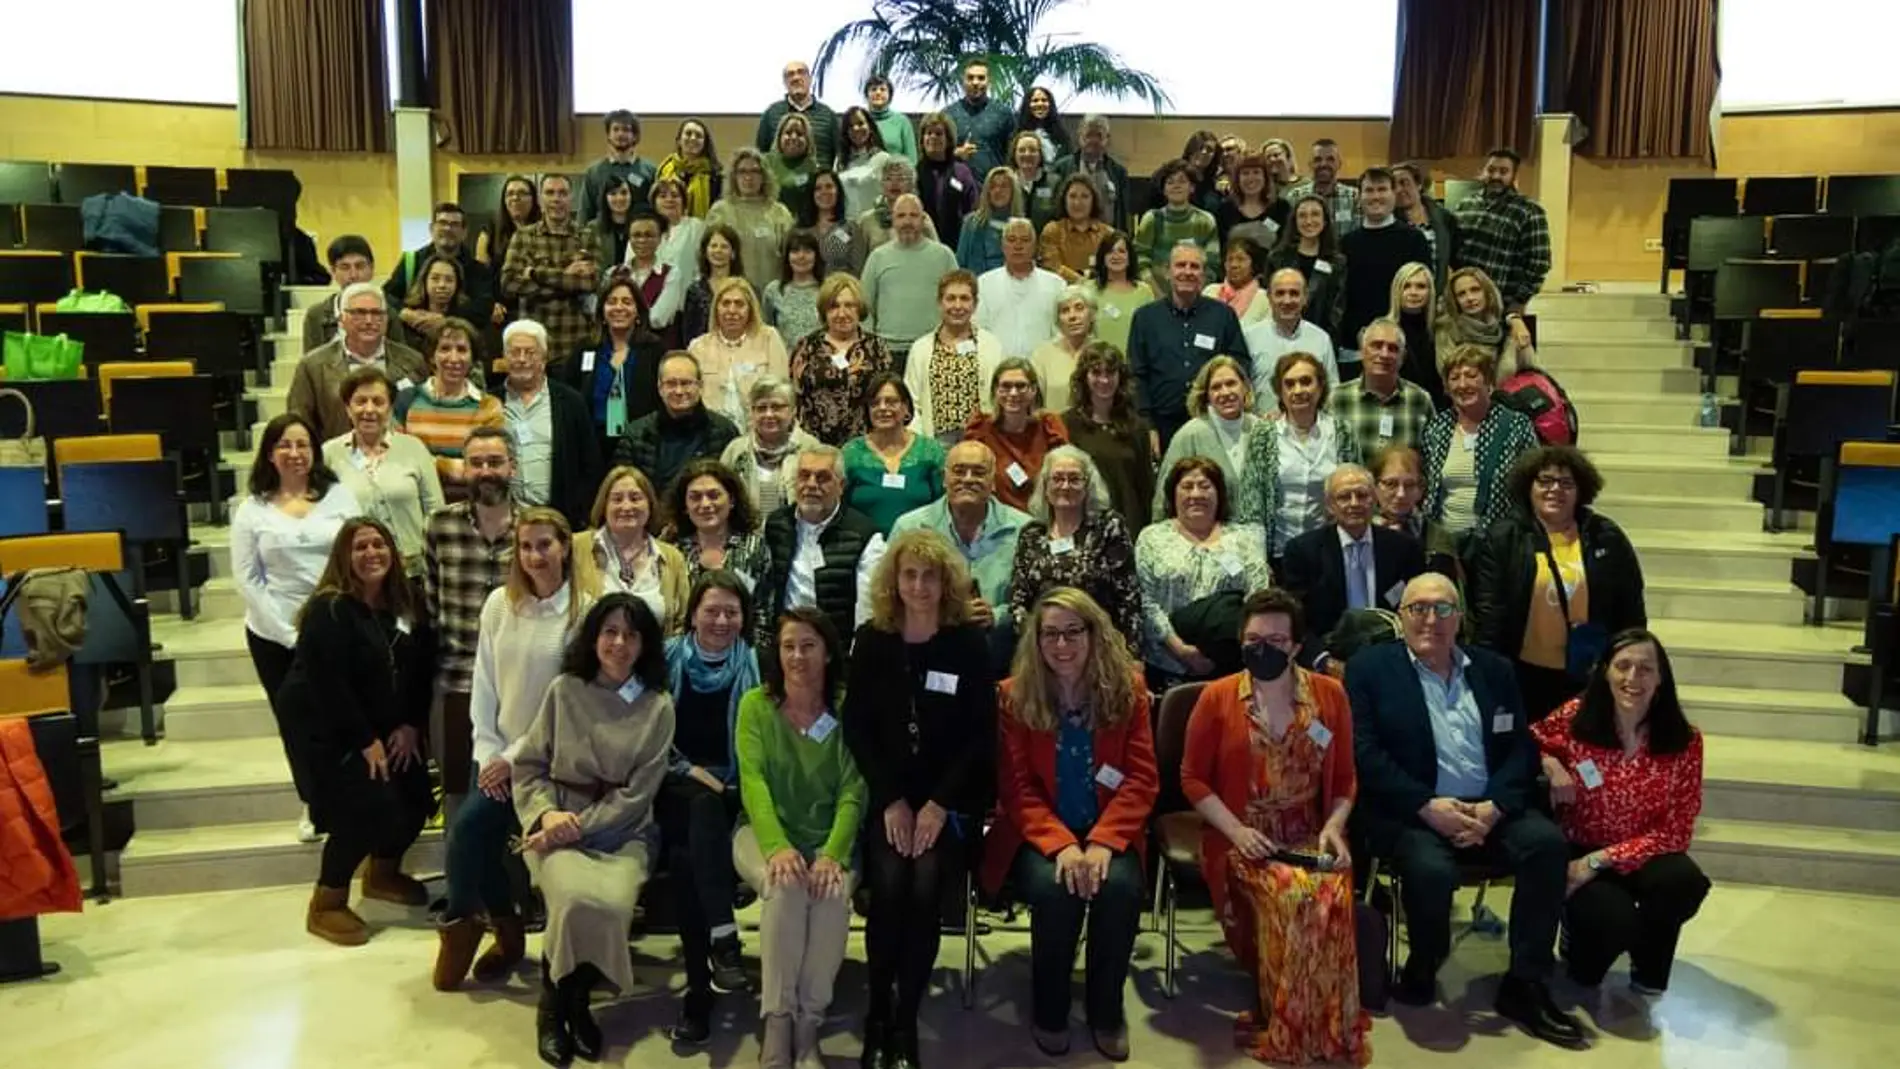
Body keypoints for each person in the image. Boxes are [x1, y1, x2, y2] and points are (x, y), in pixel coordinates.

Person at [1347, 573, 1585, 1048]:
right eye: (1418, 608)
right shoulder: (1369, 669)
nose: (1430, 619)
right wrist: (1425, 805)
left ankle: (1525, 981)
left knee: (1547, 846)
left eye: (1442, 609)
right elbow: (1364, 752)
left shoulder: (1494, 670)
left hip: (1490, 806)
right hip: (1412, 809)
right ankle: (1424, 964)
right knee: (1430, 870)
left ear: (1460, 618)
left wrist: (1496, 807)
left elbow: (1520, 747)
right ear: (1401, 616)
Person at [1180, 587, 1370, 1066]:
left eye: (1276, 640)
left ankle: (1328, 1027)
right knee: (1297, 895)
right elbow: (1192, 778)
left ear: (1297, 647)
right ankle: (1290, 1030)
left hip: (1311, 830)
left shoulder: (1330, 696)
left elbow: (1346, 778)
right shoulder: (1218, 698)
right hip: (1244, 834)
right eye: (1253, 638)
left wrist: (1333, 827)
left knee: (1332, 891)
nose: (1263, 648)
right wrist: (1237, 832)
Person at [980, 587, 1157, 1063]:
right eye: (1050, 634)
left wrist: (1102, 843)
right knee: (1056, 890)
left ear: (1094, 633)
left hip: (1109, 829)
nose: (1062, 645)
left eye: (1073, 632)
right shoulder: (1014, 696)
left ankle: (1106, 1008)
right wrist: (1061, 846)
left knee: (1119, 890)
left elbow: (1141, 779)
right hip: (1040, 832)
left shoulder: (1129, 689)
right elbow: (1016, 789)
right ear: (1036, 641)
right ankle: (1050, 1008)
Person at [844, 530, 996, 1069]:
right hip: (889, 796)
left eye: (930, 575)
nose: (919, 585)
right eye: (909, 574)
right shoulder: (873, 639)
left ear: (946, 581)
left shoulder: (967, 644)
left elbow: (981, 735)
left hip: (947, 800)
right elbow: (857, 729)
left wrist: (936, 805)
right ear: (894, 580)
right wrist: (890, 802)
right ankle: (877, 1012)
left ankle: (906, 1018)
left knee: (925, 883)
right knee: (889, 884)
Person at [513, 593, 674, 1066]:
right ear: (593, 637)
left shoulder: (658, 706)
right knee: (572, 900)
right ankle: (553, 1006)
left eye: (630, 634)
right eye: (610, 631)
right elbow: (528, 767)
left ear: (644, 644)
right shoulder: (564, 691)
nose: (619, 643)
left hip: (624, 833)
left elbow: (638, 795)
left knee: (611, 903)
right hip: (557, 818)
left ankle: (578, 1003)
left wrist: (577, 827)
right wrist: (546, 818)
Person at [434, 508, 591, 993]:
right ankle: (494, 929)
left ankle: (479, 927)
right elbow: (483, 682)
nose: (534, 556)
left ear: (564, 546)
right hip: (496, 754)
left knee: (473, 832)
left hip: (548, 760)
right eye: (525, 547)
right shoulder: (499, 604)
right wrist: (488, 749)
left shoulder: (583, 612)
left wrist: (514, 756)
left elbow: (567, 698)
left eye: (544, 545)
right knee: (471, 837)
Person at [281, 518, 435, 947]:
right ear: (344, 558)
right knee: (364, 809)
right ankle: (326, 902)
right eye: (360, 547)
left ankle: (382, 874)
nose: (372, 554)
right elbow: (328, 686)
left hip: (389, 725)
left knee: (417, 798)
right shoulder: (328, 610)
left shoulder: (407, 603)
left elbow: (421, 669)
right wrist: (363, 739)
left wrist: (409, 724)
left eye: (379, 544)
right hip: (331, 731)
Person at [1530, 630, 1708, 995]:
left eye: (1645, 669)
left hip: (1643, 851)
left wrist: (1602, 859)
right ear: (1606, 672)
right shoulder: (1576, 717)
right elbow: (1525, 740)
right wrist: (1550, 763)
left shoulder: (1685, 740)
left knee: (1683, 882)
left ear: (1661, 678)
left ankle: (1649, 963)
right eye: (1623, 666)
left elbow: (1678, 828)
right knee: (1607, 933)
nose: (1632, 678)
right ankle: (1583, 945)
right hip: (1581, 843)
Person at [735, 607, 866, 1069]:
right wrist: (778, 847)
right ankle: (778, 1020)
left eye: (809, 645)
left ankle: (809, 1023)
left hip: (832, 838)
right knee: (785, 886)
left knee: (830, 897)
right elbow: (753, 784)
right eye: (789, 645)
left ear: (828, 653)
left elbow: (854, 788)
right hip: (761, 833)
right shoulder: (756, 705)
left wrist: (833, 852)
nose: (797, 656)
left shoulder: (849, 708)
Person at [234, 413, 362, 842]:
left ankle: (349, 799)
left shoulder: (340, 497)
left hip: (335, 627)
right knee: (298, 723)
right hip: (275, 635)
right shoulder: (251, 510)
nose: (294, 454)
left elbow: (357, 558)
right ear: (270, 454)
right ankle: (315, 804)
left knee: (341, 717)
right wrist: (291, 635)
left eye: (302, 445)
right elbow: (248, 579)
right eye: (285, 446)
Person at [1470, 446, 1647, 722]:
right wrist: (1488, 674)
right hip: (1524, 674)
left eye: (1566, 483)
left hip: (1590, 674)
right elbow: (1490, 613)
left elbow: (1630, 608)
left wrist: (1627, 666)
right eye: (1545, 481)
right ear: (1528, 486)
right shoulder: (1504, 537)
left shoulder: (1606, 537)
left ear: (1581, 491)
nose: (1555, 490)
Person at [661, 571, 763, 1043]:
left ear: (744, 617)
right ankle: (723, 941)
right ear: (693, 614)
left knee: (686, 861)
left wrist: (729, 785)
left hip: (735, 787)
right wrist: (689, 772)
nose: (721, 620)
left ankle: (699, 994)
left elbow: (760, 745)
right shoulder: (665, 659)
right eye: (711, 610)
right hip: (672, 780)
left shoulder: (757, 666)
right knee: (699, 811)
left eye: (731, 611)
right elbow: (647, 735)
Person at [423, 427, 523, 797]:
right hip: (457, 681)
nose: (485, 471)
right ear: (464, 470)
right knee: (458, 796)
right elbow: (432, 605)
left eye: (495, 462)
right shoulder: (439, 525)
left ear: (512, 467)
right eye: (476, 463)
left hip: (520, 685)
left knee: (520, 793)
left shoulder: (536, 528)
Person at [889, 441, 1033, 669]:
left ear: (993, 482)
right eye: (958, 471)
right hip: (928, 663)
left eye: (979, 472)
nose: (967, 479)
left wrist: (998, 616)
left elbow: (1038, 601)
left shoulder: (1025, 530)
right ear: (944, 478)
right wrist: (946, 613)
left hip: (1006, 665)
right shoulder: (909, 528)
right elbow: (889, 597)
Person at [1137, 458, 1273, 689]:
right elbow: (1145, 600)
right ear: (1173, 494)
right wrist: (1181, 650)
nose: (1196, 494)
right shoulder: (1152, 538)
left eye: (1205, 485)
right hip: (1170, 663)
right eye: (1187, 486)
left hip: (1232, 661)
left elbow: (1258, 595)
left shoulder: (1245, 538)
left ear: (1219, 493)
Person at [1278, 465, 1425, 667]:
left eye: (1362, 495)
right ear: (1329, 505)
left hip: (1393, 653)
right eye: (1344, 497)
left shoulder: (1404, 548)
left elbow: (1418, 608)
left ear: (1374, 500)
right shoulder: (1303, 551)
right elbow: (1296, 620)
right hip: (1330, 655)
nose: (1354, 503)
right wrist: (1323, 661)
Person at [1008, 446, 1143, 654]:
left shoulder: (1108, 526)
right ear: (1045, 486)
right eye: (1057, 478)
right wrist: (1033, 641)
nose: (1065, 486)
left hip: (1100, 646)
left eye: (1074, 479)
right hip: (1045, 647)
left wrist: (1132, 654)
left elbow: (1128, 596)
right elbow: (1018, 600)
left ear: (1088, 486)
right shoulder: (1031, 534)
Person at [1233, 353, 1364, 562]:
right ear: (1280, 392)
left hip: (1330, 554)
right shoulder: (1264, 435)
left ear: (1320, 387)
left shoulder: (1343, 432)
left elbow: (1357, 493)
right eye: (1289, 384)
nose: (1298, 390)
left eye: (1306, 381)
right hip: (1277, 554)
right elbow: (1251, 504)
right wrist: (1256, 560)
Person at [753, 446, 888, 646]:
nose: (811, 484)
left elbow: (867, 612)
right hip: (785, 646)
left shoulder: (865, 534)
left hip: (837, 651)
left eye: (822, 477)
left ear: (841, 486)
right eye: (804, 476)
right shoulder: (775, 525)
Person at [322, 367, 445, 576]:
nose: (369, 410)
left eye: (378, 402)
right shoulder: (329, 454)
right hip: (354, 573)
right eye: (360, 401)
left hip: (413, 573)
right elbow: (323, 518)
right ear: (348, 408)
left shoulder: (414, 448)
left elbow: (436, 514)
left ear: (389, 408)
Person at [1127, 243, 1247, 448]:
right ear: (1167, 271)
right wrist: (1147, 426)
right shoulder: (1145, 318)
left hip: (1214, 423)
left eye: (1194, 266)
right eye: (1180, 265)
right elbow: (1137, 374)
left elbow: (1239, 365)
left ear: (1203, 274)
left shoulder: (1223, 316)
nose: (1187, 272)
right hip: (1162, 426)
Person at [1422, 345, 1540, 551]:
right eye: (1454, 378)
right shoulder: (1438, 426)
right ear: (1447, 387)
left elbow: (1534, 483)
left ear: (1489, 382)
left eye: (1471, 375)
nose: (1462, 384)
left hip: (1498, 545)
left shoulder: (1515, 425)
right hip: (1443, 542)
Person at [287, 282, 428, 443]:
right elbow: (299, 425)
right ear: (341, 319)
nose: (369, 320)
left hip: (398, 461)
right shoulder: (312, 367)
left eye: (376, 313)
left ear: (386, 319)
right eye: (359, 313)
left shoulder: (413, 361)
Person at [499, 320, 604, 530]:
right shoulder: (491, 402)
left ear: (544, 358)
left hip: (560, 519)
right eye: (514, 352)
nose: (522, 359)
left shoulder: (570, 402)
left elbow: (590, 464)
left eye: (530, 352)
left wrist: (580, 512)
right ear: (505, 357)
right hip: (506, 520)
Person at [1336, 168, 1433, 381]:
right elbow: (1341, 299)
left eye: (1382, 189)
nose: (1376, 196)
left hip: (1403, 347)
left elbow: (1423, 298)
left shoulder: (1414, 240)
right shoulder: (1346, 244)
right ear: (1359, 196)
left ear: (1393, 194)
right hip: (1355, 347)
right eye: (1369, 190)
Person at [394, 317, 504, 499]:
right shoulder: (406, 399)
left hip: (472, 510)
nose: (453, 358)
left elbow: (487, 469)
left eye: (461, 350)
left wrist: (429, 463)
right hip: (416, 505)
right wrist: (454, 468)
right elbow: (399, 461)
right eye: (444, 349)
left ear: (472, 358)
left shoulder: (489, 407)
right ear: (431, 355)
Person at [574, 465, 692, 632]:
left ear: (650, 505)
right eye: (617, 499)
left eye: (635, 498)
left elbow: (682, 621)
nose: (627, 506)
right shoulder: (576, 547)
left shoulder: (672, 557)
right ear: (604, 505)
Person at [500, 174, 602, 359]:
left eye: (562, 193)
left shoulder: (587, 236)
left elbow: (591, 283)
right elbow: (509, 284)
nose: (556, 199)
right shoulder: (523, 236)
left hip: (576, 341)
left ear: (571, 198)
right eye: (550, 193)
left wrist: (534, 273)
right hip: (534, 345)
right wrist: (567, 278)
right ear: (540, 199)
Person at [614, 352, 743, 496]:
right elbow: (624, 491)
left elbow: (735, 491)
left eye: (686, 383)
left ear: (700, 386)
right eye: (671, 383)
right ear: (659, 388)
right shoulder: (634, 435)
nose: (679, 391)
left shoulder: (725, 432)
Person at [788, 273, 893, 446]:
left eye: (849, 305)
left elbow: (888, 398)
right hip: (814, 446)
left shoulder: (877, 348)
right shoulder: (806, 347)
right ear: (824, 311)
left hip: (867, 446)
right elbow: (795, 396)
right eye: (834, 306)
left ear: (859, 308)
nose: (842, 313)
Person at [1060, 341, 1156, 529]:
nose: (1104, 380)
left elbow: (1146, 487)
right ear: (1084, 377)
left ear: (1121, 377)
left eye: (1110, 373)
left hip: (1129, 524)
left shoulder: (1137, 427)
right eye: (1096, 373)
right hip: (1082, 525)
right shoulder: (1067, 424)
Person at [567, 272, 666, 456]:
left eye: (627, 302)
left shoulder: (654, 349)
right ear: (602, 312)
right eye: (611, 302)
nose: (619, 307)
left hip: (640, 445)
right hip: (590, 446)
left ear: (638, 311)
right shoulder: (585, 349)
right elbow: (569, 396)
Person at [903, 268, 1005, 445]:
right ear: (939, 303)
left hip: (982, 441)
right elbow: (911, 401)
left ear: (975, 304)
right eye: (950, 298)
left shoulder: (992, 345)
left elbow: (1001, 397)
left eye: (964, 299)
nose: (957, 306)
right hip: (933, 442)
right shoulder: (921, 348)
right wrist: (922, 444)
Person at [1152, 355, 1260, 518]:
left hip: (1257, 537)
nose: (1225, 392)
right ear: (1206, 395)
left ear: (1245, 387)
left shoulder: (1261, 430)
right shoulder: (1189, 435)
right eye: (1216, 387)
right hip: (1207, 538)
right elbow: (1164, 498)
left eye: (1231, 383)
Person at [841, 373, 947, 534]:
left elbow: (944, 507)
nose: (883, 408)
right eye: (875, 403)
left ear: (906, 408)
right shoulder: (850, 453)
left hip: (919, 548)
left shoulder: (931, 452)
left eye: (891, 402)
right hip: (863, 549)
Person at [1453, 147, 1551, 316]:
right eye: (1491, 170)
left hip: (1501, 304)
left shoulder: (1529, 211)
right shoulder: (1464, 205)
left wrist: (1519, 301)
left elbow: (1540, 263)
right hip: (1463, 303)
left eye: (1503, 171)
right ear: (1483, 171)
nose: (1496, 176)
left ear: (1514, 175)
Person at [963, 358, 1069, 512]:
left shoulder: (1049, 427)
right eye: (1006, 386)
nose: (1013, 393)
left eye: (1021, 386)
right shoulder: (980, 430)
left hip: (1044, 516)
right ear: (995, 391)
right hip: (996, 518)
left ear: (1033, 390)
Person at [684, 278, 791, 428]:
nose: (732, 310)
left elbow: (781, 392)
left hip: (760, 431)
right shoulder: (698, 347)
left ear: (750, 309)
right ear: (716, 308)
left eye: (739, 304)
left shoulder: (769, 338)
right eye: (726, 303)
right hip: (711, 433)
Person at [861, 194, 958, 355]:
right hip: (889, 350)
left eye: (913, 215)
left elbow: (958, 301)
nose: (907, 222)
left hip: (933, 349)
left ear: (923, 219)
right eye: (901, 216)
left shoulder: (944, 255)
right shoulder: (877, 257)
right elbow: (864, 307)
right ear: (893, 220)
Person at [386, 202, 494, 342]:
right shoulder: (410, 262)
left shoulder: (478, 270)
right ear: (432, 228)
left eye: (454, 224)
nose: (448, 228)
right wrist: (405, 313)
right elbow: (385, 295)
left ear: (464, 232)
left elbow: (483, 308)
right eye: (442, 222)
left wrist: (445, 319)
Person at [1328, 319, 1434, 454]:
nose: (1384, 354)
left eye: (1393, 349)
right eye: (1377, 346)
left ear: (1403, 357)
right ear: (1362, 351)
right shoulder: (1337, 399)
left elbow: (1430, 459)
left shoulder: (1420, 400)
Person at [669, 458, 773, 592]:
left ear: (732, 500)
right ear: (685, 506)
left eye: (714, 495)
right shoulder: (674, 553)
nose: (705, 504)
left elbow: (763, 608)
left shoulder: (755, 549)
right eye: (695, 497)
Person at [722, 376, 821, 516]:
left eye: (777, 407)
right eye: (761, 408)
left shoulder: (811, 449)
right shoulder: (735, 450)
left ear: (793, 410)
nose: (769, 414)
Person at [1243, 268, 1339, 412]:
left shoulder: (1321, 339)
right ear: (1269, 296)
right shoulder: (1249, 337)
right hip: (1260, 428)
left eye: (1294, 293)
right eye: (1280, 293)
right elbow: (1242, 390)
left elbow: (1332, 392)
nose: (1287, 301)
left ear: (1305, 297)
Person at [709, 147, 797, 298]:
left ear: (764, 176)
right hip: (732, 299)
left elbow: (792, 258)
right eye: (742, 171)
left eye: (754, 171)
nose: (748, 177)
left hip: (772, 297)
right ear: (733, 176)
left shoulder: (779, 213)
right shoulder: (720, 212)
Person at [974, 219, 1066, 361]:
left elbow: (1061, 333)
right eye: (1011, 240)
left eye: (1025, 240)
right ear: (1002, 246)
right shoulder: (984, 284)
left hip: (1042, 368)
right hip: (997, 369)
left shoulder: (1056, 285)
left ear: (1035, 246)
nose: (1018, 246)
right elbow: (979, 331)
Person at [1369, 443, 1460, 580]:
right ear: (1374, 486)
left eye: (1410, 485)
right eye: (1391, 484)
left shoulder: (1438, 537)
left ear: (1421, 490)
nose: (1401, 494)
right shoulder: (1361, 533)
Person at [1133, 160, 1220, 292]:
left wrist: (1196, 293)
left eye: (1182, 181)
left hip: (1197, 294)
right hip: (1156, 294)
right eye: (1170, 182)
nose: (1176, 186)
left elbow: (1212, 264)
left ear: (1192, 187)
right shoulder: (1152, 219)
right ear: (1164, 190)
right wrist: (1156, 293)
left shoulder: (1205, 220)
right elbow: (1140, 260)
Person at [1437, 266, 1533, 382]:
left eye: (1475, 290)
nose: (1470, 298)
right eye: (1461, 294)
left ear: (1487, 292)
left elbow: (1532, 372)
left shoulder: (1509, 329)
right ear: (1455, 300)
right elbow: (1450, 377)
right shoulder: (1447, 331)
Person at [1266, 196, 1345, 335]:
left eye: (1315, 214)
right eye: (1302, 216)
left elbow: (1337, 308)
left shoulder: (1337, 262)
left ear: (1325, 221)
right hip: (1280, 334)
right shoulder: (1277, 258)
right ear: (1295, 221)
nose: (1309, 221)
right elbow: (1268, 301)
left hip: (1321, 337)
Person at [850, 157, 941, 269]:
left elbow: (938, 256)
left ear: (910, 184)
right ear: (881, 183)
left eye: (900, 178)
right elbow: (858, 263)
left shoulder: (922, 218)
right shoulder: (866, 220)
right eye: (888, 178)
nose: (894, 183)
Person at [1053, 114, 1131, 235]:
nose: (1093, 140)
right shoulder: (1061, 168)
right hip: (1069, 237)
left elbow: (1122, 213)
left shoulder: (1118, 172)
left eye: (1099, 136)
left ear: (1107, 139)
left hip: (1107, 239)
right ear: (1079, 137)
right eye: (1089, 135)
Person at [475, 179, 539, 321]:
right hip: (502, 308)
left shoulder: (543, 228)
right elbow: (481, 273)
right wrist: (490, 303)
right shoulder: (490, 227)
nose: (515, 198)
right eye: (510, 194)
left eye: (522, 193)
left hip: (538, 305)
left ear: (533, 199)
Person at [916, 112, 981, 251]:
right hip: (921, 246)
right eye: (929, 133)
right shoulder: (914, 173)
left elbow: (973, 212)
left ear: (949, 140)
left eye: (939, 133)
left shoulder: (961, 172)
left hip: (957, 246)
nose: (933, 137)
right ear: (922, 139)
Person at [755, 59, 839, 167]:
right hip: (780, 181)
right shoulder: (771, 114)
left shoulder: (828, 115)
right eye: (790, 74)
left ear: (809, 79)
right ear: (784, 82)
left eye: (801, 72)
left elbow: (838, 154)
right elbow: (761, 154)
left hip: (819, 181)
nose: (796, 78)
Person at [396, 253, 482, 357]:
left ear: (457, 285)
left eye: (449, 280)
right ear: (424, 281)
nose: (442, 285)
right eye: (435, 278)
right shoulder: (407, 319)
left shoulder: (467, 322)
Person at [579, 110, 657, 222]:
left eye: (626, 129)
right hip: (602, 235)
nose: (620, 134)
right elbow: (585, 212)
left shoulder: (650, 170)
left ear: (635, 136)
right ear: (608, 135)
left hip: (640, 235)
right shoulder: (594, 172)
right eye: (615, 129)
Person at [1029, 285, 1096, 414]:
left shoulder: (1103, 352)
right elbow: (1033, 405)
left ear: (1092, 314)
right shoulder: (1042, 355)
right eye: (1065, 310)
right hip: (1055, 430)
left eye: (1079, 308)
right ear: (1058, 321)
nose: (1072, 316)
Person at [303, 235, 377, 353]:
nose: (353, 275)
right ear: (333, 271)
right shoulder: (316, 316)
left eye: (360, 266)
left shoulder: (388, 314)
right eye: (345, 267)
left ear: (372, 269)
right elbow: (309, 367)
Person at [622, 208, 684, 348]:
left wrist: (621, 319)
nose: (642, 240)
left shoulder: (672, 274)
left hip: (657, 350)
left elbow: (658, 319)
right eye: (636, 235)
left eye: (649, 235)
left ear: (660, 238)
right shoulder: (614, 273)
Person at [1085, 231, 1153, 357]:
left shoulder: (1144, 291)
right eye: (1110, 251)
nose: (1115, 256)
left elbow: (1151, 333)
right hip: (1097, 366)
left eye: (1121, 251)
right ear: (1102, 257)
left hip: (1134, 365)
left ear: (1130, 258)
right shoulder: (1087, 289)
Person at [944, 59, 1015, 176]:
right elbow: (937, 154)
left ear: (989, 82)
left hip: (995, 187)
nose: (975, 82)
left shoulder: (1003, 113)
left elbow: (1013, 154)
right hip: (957, 185)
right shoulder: (948, 115)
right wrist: (956, 153)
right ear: (963, 81)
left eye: (981, 78)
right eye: (970, 78)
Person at [1038, 174, 1113, 284]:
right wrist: (1084, 282)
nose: (1077, 202)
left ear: (1094, 200)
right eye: (1072, 196)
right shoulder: (1052, 231)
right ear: (1064, 200)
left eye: (1085, 196)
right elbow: (1053, 268)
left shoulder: (1108, 234)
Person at [1389, 261, 1445, 407]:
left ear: (1430, 291)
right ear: (1397, 290)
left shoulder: (1442, 330)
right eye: (1406, 286)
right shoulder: (1384, 331)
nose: (1413, 292)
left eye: (1421, 286)